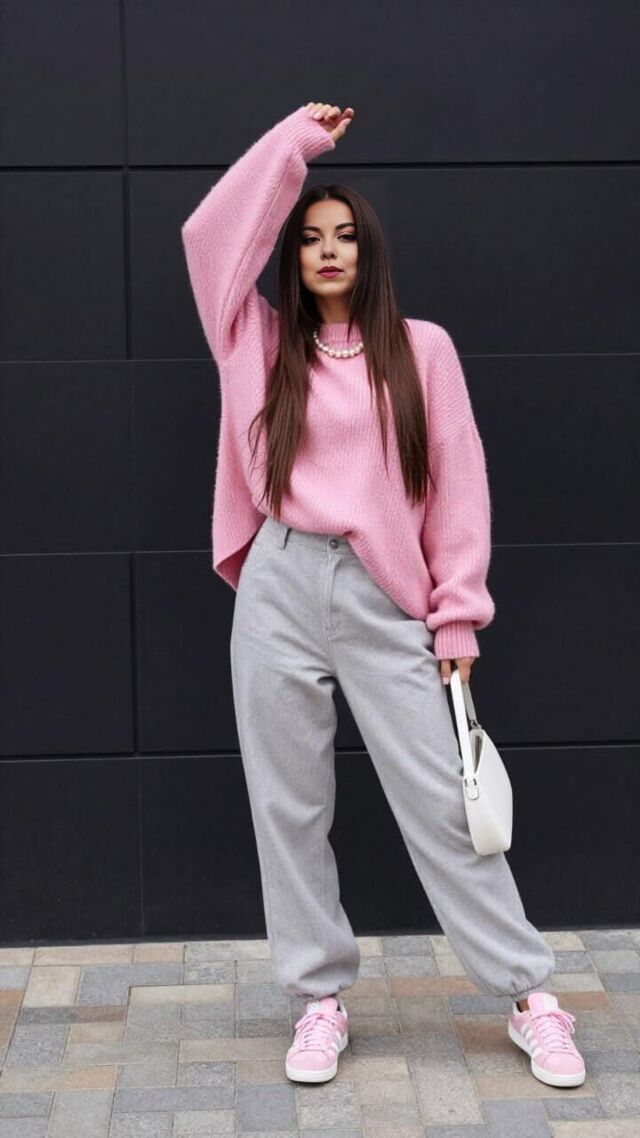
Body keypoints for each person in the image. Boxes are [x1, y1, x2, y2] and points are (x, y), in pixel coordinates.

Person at [180, 101, 586, 1089]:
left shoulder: (421, 350)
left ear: (369, 253)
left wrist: (457, 615)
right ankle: (318, 1000)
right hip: (279, 582)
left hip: (382, 593)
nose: (327, 250)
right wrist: (291, 146)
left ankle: (531, 995)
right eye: (310, 236)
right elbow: (207, 236)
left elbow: (458, 486)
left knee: (446, 805)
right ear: (291, 254)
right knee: (288, 804)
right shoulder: (255, 342)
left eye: (345, 235)